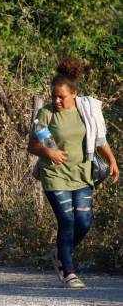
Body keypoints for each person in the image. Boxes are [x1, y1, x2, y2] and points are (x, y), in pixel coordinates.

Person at [28, 60, 119, 289]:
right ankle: (68, 271)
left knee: (84, 223)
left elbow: (99, 139)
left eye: (62, 97)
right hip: (55, 175)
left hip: (81, 174)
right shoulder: (45, 114)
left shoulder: (86, 111)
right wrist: (49, 151)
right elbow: (33, 145)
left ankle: (60, 253)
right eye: (54, 96)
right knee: (67, 221)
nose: (57, 101)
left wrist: (112, 160)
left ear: (74, 94)